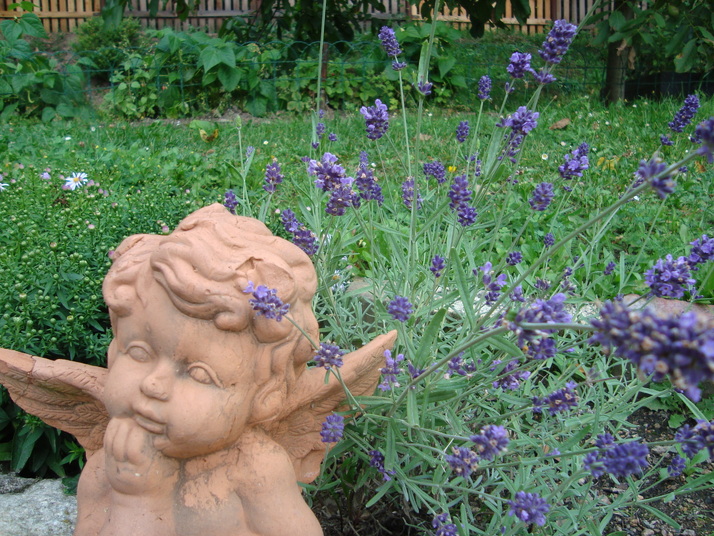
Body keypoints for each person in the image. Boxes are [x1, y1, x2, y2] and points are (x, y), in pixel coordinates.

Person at [0, 204, 396, 536]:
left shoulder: (255, 468)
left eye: (199, 373)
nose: (154, 384)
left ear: (263, 398)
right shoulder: (111, 467)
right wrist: (136, 498)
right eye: (137, 351)